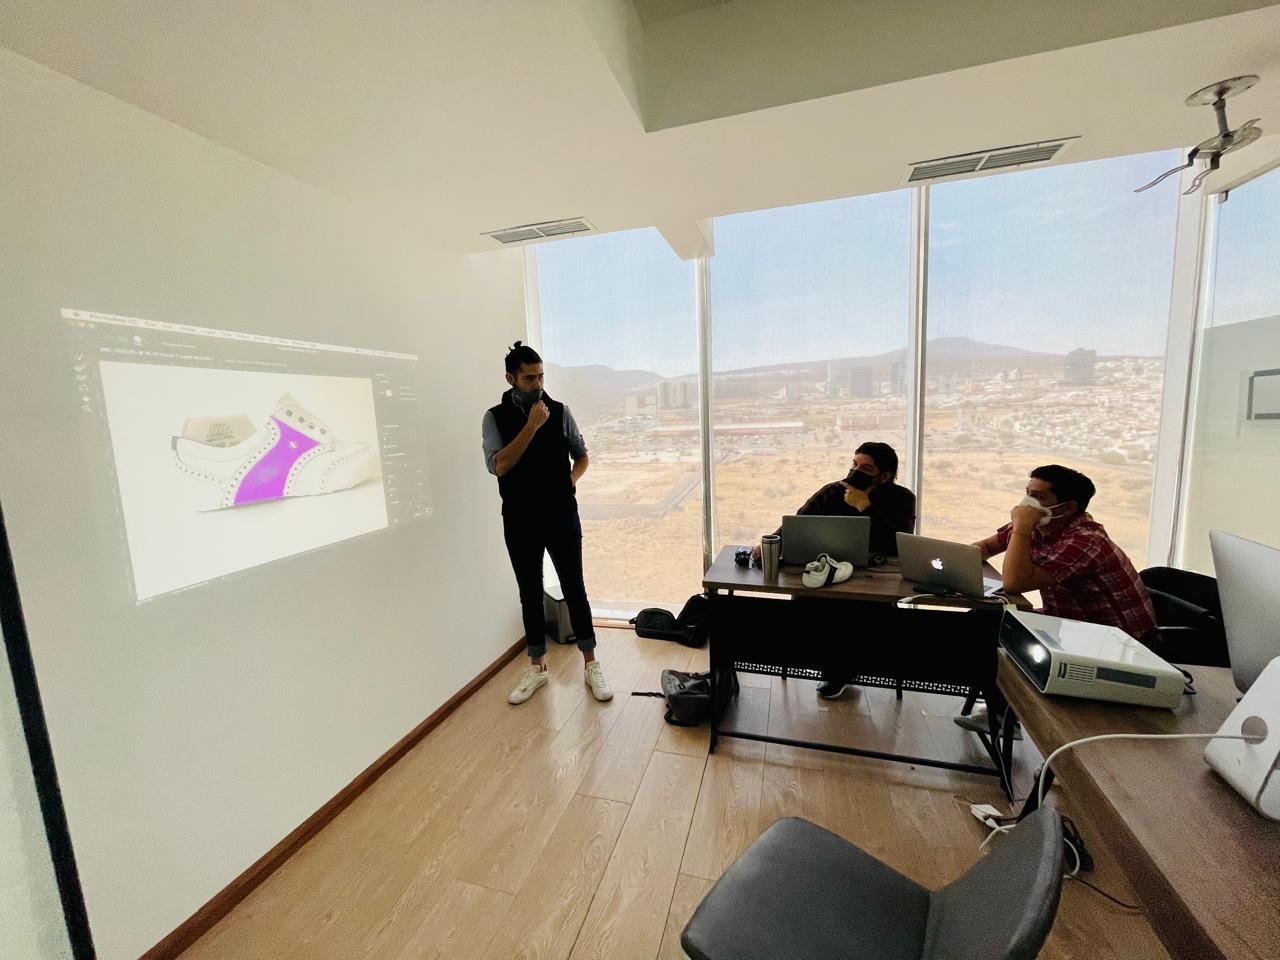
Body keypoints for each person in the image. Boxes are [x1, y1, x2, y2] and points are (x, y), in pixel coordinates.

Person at [955, 463, 1157, 734]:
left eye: (1038, 497)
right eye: (1027, 493)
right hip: (1067, 624)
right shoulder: (1040, 526)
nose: (1026, 504)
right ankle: (1003, 711)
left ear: (1069, 507)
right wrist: (955, 563)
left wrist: (1021, 529)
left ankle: (1008, 716)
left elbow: (1015, 582)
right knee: (984, 619)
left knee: (992, 630)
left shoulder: (1085, 540)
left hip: (1112, 641)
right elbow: (988, 547)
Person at [482, 342, 612, 705]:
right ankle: (537, 668)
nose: (538, 384)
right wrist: (531, 427)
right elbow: (499, 465)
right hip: (520, 519)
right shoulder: (494, 418)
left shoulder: (561, 410)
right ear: (511, 378)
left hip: (561, 515)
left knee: (575, 587)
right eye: (529, 377)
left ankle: (591, 664)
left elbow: (582, 456)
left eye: (541, 376)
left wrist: (568, 481)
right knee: (529, 591)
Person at [755, 442, 916, 699]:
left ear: (885, 476)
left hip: (873, 582)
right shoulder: (833, 492)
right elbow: (797, 523)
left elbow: (900, 541)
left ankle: (841, 672)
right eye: (854, 464)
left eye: (866, 468)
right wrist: (770, 543)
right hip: (825, 573)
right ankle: (826, 668)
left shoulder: (902, 499)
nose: (855, 471)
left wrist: (865, 506)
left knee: (859, 616)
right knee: (809, 609)